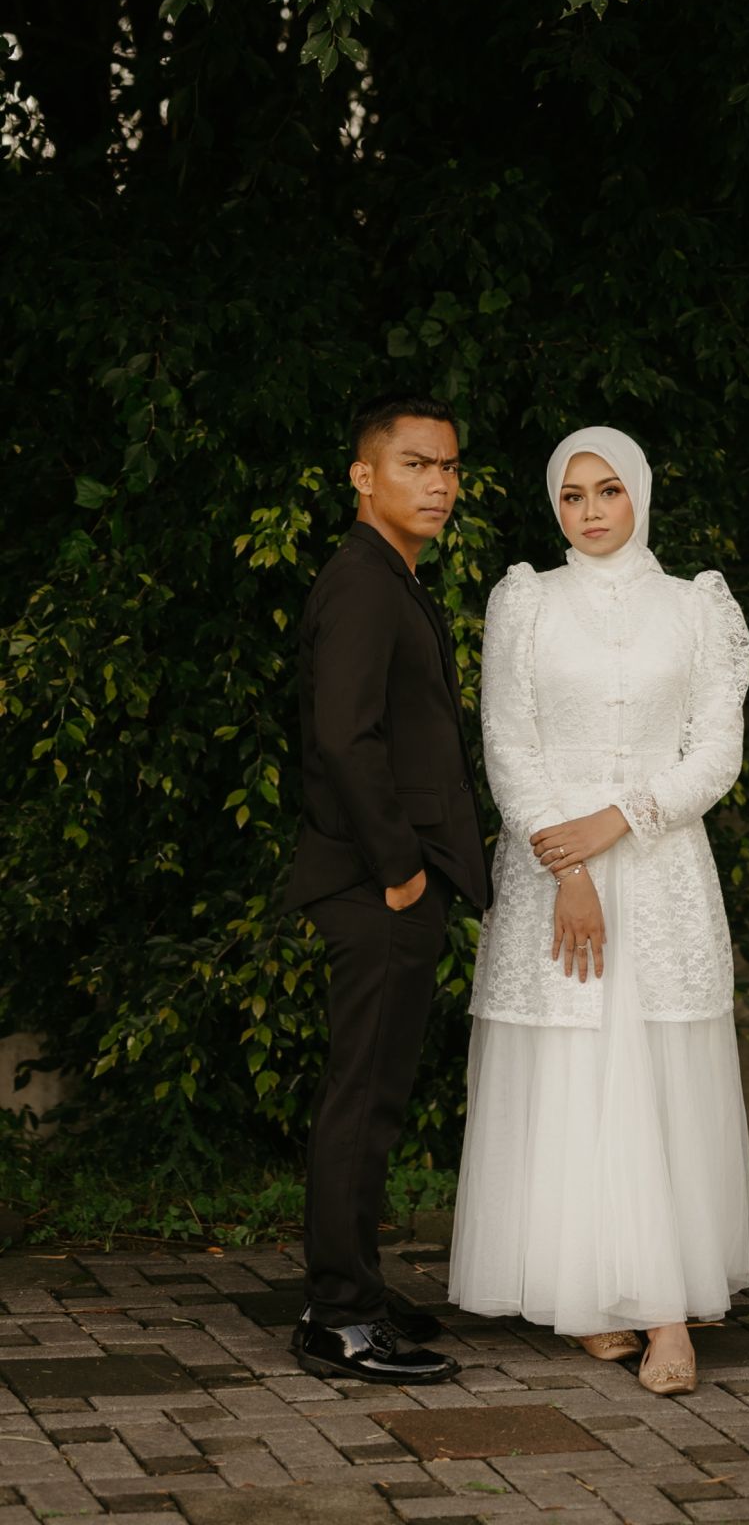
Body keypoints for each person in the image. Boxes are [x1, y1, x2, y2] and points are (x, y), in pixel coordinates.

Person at [449, 426, 749, 1395]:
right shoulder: (526, 601)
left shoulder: (696, 606)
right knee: (574, 1079)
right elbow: (508, 744)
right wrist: (570, 867)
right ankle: (590, 1293)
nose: (589, 510)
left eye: (608, 490)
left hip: (660, 871)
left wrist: (619, 821)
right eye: (572, 494)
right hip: (553, 872)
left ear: (640, 495)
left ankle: (667, 1315)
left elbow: (717, 752)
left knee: (654, 1080)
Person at [284, 392, 490, 1386]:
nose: (438, 483)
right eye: (416, 464)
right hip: (377, 885)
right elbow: (342, 737)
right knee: (362, 1100)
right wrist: (402, 867)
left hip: (388, 881)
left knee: (374, 1095)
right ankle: (339, 1317)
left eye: (448, 467)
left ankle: (355, 1284)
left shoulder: (389, 576)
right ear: (363, 476)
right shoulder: (365, 581)